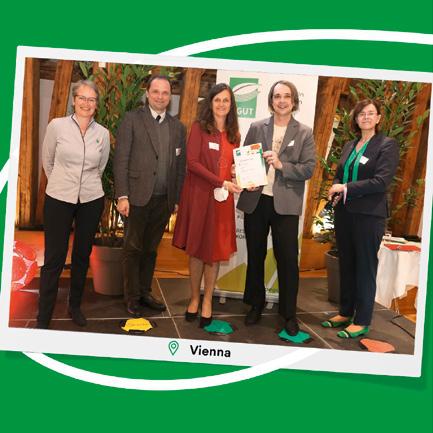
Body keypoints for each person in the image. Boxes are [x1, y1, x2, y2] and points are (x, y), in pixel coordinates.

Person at [237, 80, 316, 336]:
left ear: (294, 101)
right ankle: (255, 304)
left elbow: (308, 169)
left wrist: (282, 165)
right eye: (277, 96)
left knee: (288, 260)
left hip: (286, 204)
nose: (282, 101)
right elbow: (245, 159)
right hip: (257, 200)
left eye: (287, 96)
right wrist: (244, 177)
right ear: (271, 100)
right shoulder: (257, 127)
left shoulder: (304, 132)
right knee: (255, 255)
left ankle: (288, 314)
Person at [37, 79, 110, 329]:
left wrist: (86, 185)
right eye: (82, 98)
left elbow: (100, 167)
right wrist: (61, 182)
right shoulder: (56, 126)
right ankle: (43, 316)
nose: (86, 103)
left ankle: (75, 306)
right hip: (58, 198)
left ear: (97, 104)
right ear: (74, 100)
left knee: (81, 255)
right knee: (54, 258)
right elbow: (48, 161)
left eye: (92, 99)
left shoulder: (102, 134)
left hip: (91, 199)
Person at [323, 99, 399, 338]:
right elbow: (339, 174)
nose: (366, 117)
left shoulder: (387, 145)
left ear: (378, 118)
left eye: (370, 113)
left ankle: (362, 319)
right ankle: (345, 312)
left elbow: (381, 181)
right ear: (355, 119)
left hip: (369, 215)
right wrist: (336, 185)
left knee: (365, 267)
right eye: (361, 114)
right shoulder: (349, 145)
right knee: (346, 263)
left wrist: (345, 188)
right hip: (344, 213)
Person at [114, 75, 186, 317]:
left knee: (151, 250)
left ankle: (145, 292)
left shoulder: (178, 127)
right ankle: (132, 297)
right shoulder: (132, 119)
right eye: (156, 91)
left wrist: (176, 199)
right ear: (147, 93)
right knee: (132, 249)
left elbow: (180, 166)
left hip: (164, 200)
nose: (160, 97)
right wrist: (122, 195)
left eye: (165, 93)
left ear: (170, 96)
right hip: (136, 197)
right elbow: (121, 159)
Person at [173, 83, 242, 328]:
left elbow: (233, 165)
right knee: (196, 250)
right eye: (217, 100)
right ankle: (194, 298)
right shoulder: (199, 128)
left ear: (231, 105)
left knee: (213, 253)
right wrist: (221, 181)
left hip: (222, 201)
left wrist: (236, 174)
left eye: (226, 100)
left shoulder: (234, 134)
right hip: (200, 197)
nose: (222, 104)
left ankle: (208, 300)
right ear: (210, 103)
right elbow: (192, 163)